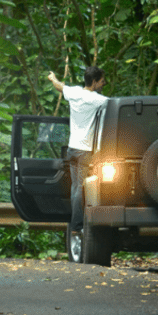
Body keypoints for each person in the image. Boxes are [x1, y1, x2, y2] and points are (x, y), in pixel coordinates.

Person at [46, 66, 106, 235]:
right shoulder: (98, 100)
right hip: (85, 150)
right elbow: (118, 106)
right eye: (102, 81)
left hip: (72, 149)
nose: (104, 84)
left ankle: (77, 221)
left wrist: (53, 77)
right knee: (82, 188)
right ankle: (77, 226)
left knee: (75, 187)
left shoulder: (74, 92)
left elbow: (59, 86)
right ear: (94, 82)